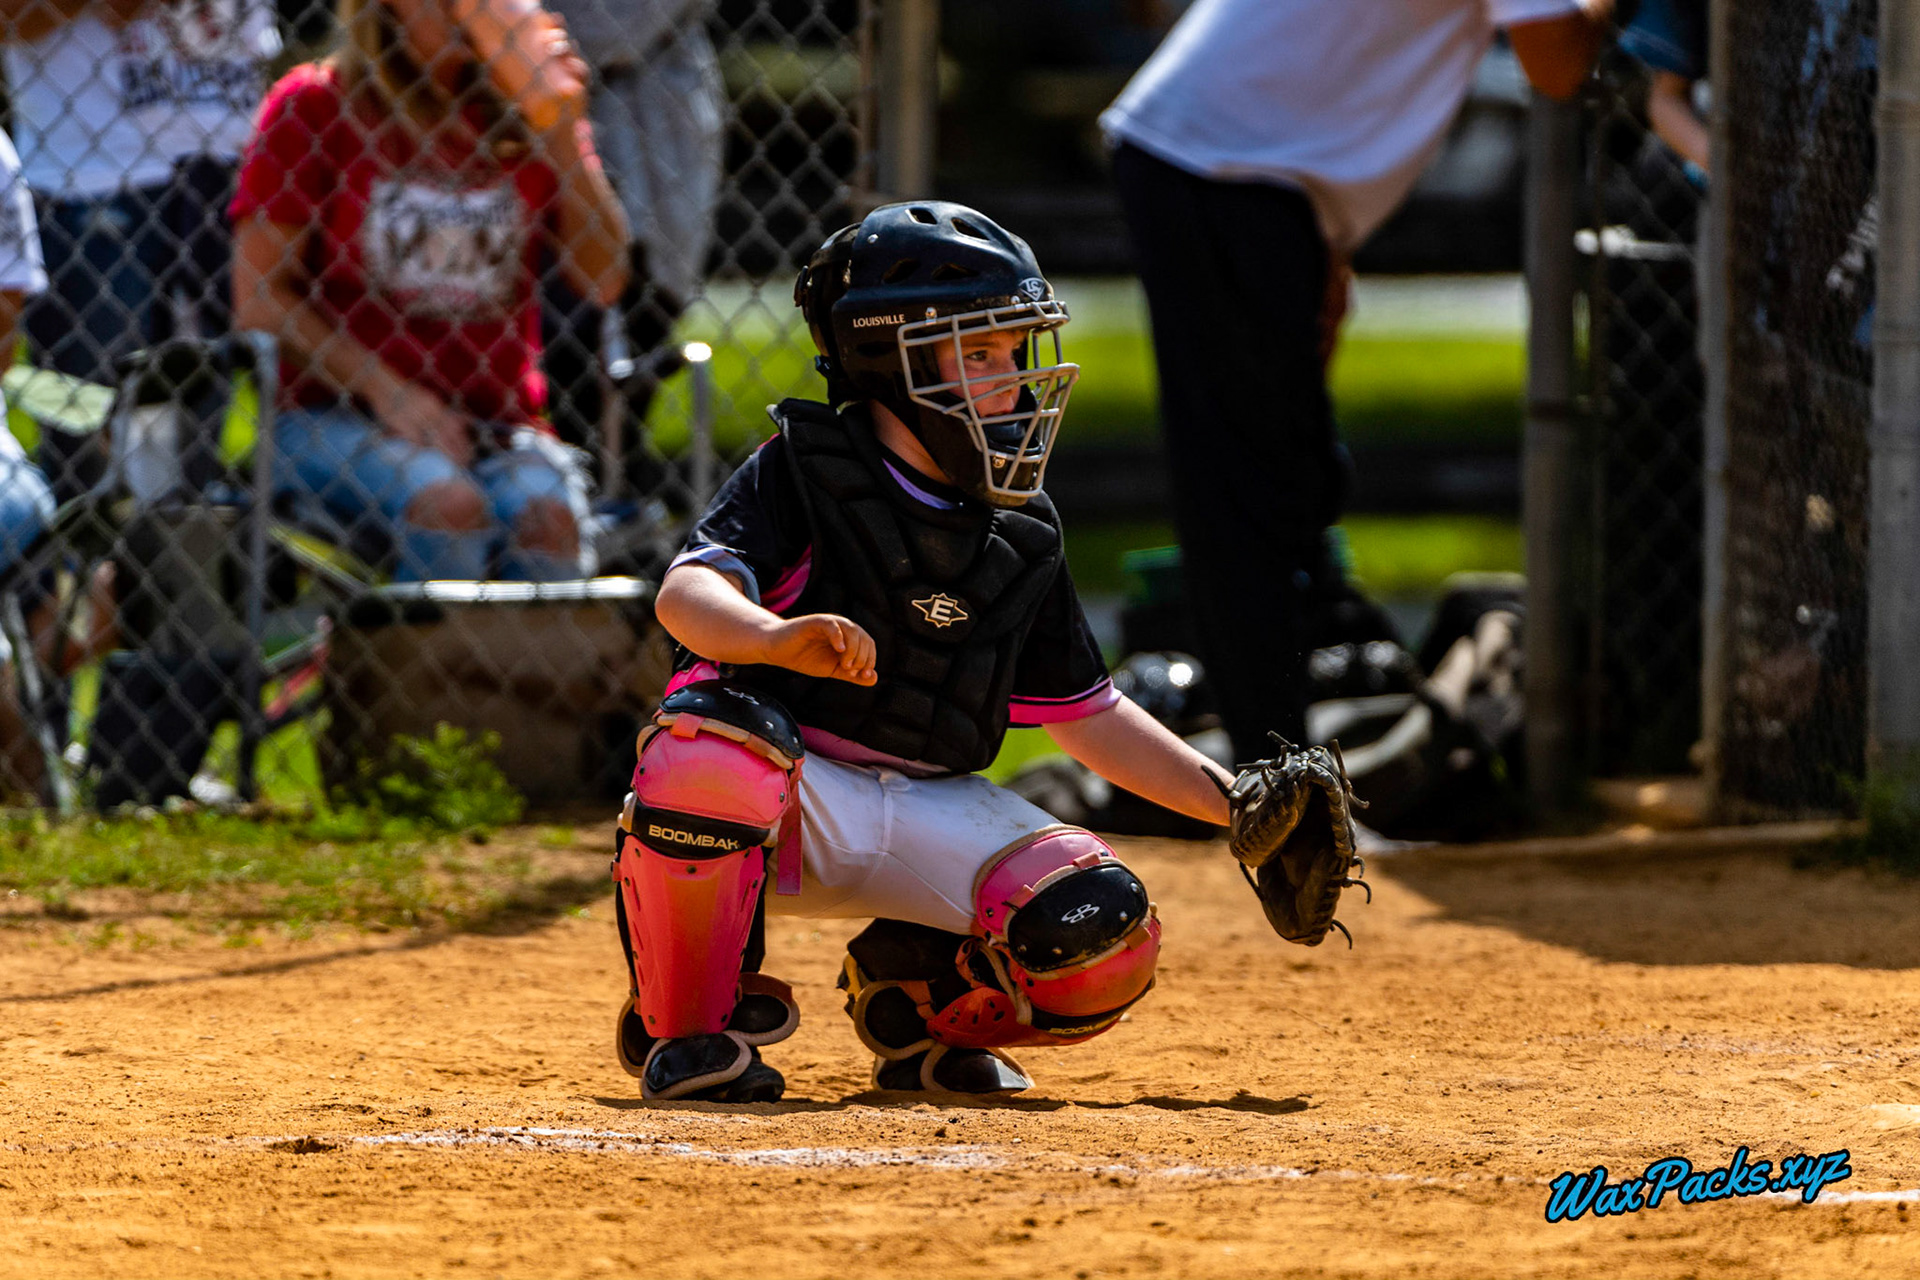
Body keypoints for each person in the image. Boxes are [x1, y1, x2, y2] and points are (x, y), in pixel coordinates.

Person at [611, 202, 1266, 1103]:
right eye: (980, 354)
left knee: (1101, 936)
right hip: (795, 807)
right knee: (707, 751)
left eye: (1016, 352)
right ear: (890, 358)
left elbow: (1089, 716)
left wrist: (1236, 808)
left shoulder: (1022, 533)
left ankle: (916, 1001)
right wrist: (771, 637)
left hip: (929, 803)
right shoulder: (803, 470)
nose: (1012, 381)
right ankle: (685, 1027)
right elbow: (686, 593)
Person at [1100, 0, 1611, 766]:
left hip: (1240, 169)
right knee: (1247, 493)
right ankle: (1276, 778)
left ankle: (1292, 753)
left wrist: (1324, 241)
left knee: (1294, 479)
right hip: (1225, 165)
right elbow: (1558, 60)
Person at [229, 0, 630, 581]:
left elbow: (605, 280)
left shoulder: (524, 115)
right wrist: (386, 391)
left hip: (493, 424)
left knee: (547, 517)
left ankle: (538, 673)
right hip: (332, 416)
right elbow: (261, 301)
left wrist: (565, 131)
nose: (471, 13)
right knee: (449, 504)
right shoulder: (315, 107)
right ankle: (430, 671)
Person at [3, 0, 280, 491]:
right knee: (84, 422)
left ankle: (176, 556)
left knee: (196, 415)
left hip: (226, 164)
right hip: (93, 175)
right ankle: (78, 558)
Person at [541, 0, 725, 493]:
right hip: (525, 179)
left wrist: (492, 26)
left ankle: (611, 505)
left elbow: (606, 33)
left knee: (604, 379)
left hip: (644, 167)